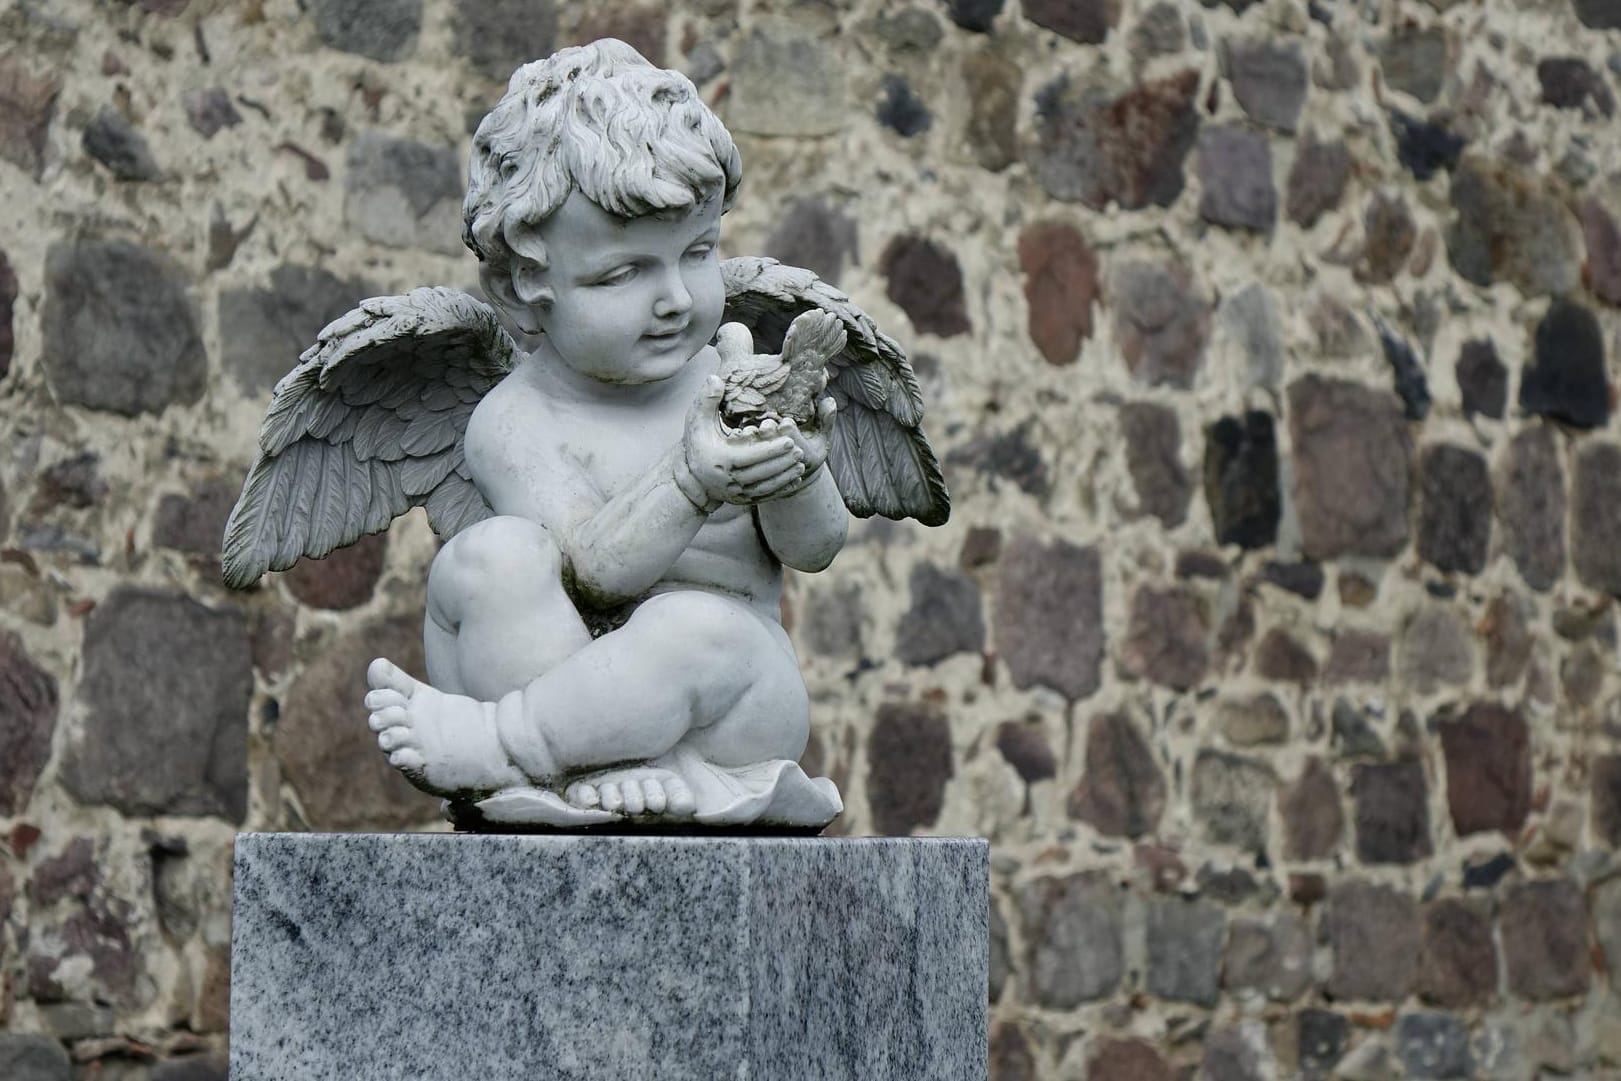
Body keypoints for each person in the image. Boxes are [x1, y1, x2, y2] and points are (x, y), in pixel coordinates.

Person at [362, 39, 848, 823]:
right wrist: (690, 482)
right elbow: (592, 574)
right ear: (528, 279)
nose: (675, 300)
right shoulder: (517, 421)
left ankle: (503, 743)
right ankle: (593, 762)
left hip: (731, 703)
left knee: (689, 623)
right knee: (487, 560)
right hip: (566, 673)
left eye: (695, 254)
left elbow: (814, 547)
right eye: (624, 273)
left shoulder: (730, 373)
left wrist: (797, 468)